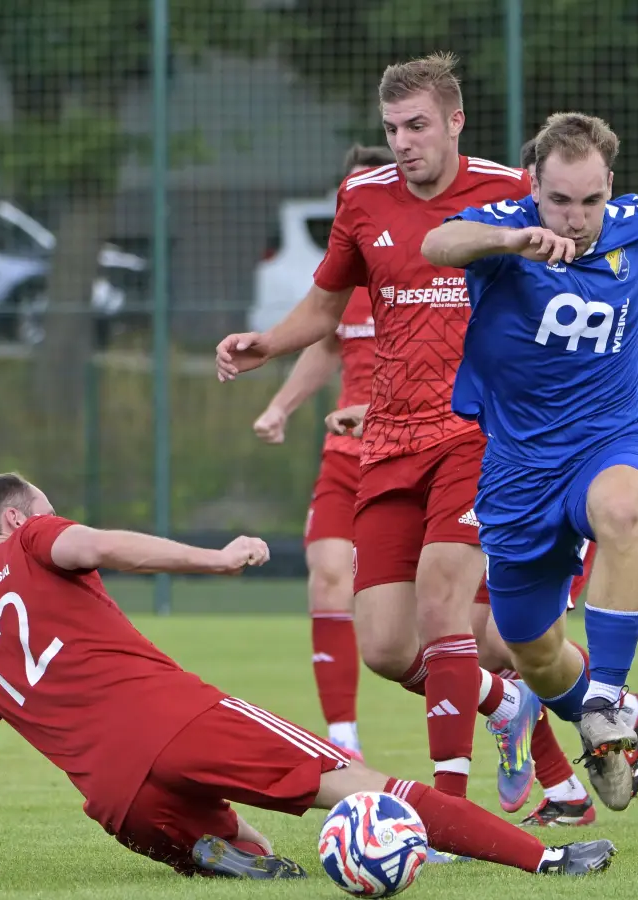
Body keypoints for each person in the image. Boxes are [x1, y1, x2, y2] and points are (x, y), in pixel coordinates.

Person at [0, 474, 615, 880]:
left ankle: (218, 847)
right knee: (368, 786)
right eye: (44, 508)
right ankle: (545, 862)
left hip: (117, 801)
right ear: (16, 518)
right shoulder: (33, 539)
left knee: (256, 855)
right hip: (180, 724)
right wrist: (216, 559)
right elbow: (99, 545)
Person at [214, 52, 540, 806]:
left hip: (479, 429)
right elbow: (325, 308)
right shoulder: (361, 197)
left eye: (417, 125)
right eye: (392, 127)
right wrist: (266, 344)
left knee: (441, 604)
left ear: (455, 121)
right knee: (388, 647)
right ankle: (506, 702)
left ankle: (452, 811)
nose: (402, 141)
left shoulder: (510, 193)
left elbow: (580, 260)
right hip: (389, 439)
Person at [420, 111, 638, 814]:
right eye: (560, 199)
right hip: (520, 469)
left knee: (623, 508)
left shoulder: (635, 221)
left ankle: (612, 705)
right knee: (525, 647)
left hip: (609, 441)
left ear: (609, 187)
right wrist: (512, 240)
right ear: (535, 186)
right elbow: (439, 242)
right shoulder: (506, 232)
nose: (576, 216)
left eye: (591, 200)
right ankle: (603, 711)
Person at [250, 143, 395, 759]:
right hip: (344, 459)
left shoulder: (426, 272)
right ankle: (344, 740)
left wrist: (380, 413)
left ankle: (504, 713)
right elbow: (326, 347)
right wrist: (280, 407)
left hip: (415, 458)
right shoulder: (341, 283)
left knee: (426, 627)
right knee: (328, 579)